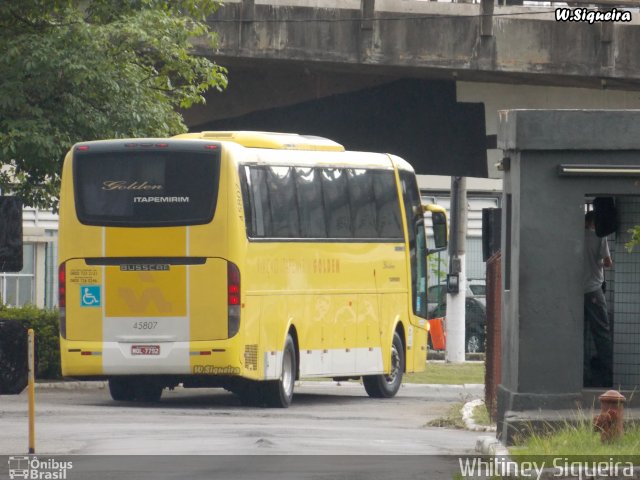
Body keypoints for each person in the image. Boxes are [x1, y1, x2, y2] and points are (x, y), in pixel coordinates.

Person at [583, 210, 613, 388]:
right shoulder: (599, 237)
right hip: (594, 289)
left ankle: (584, 375)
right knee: (602, 333)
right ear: (594, 222)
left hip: (576, 291)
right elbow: (608, 262)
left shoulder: (575, 237)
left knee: (580, 335)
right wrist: (599, 263)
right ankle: (607, 376)